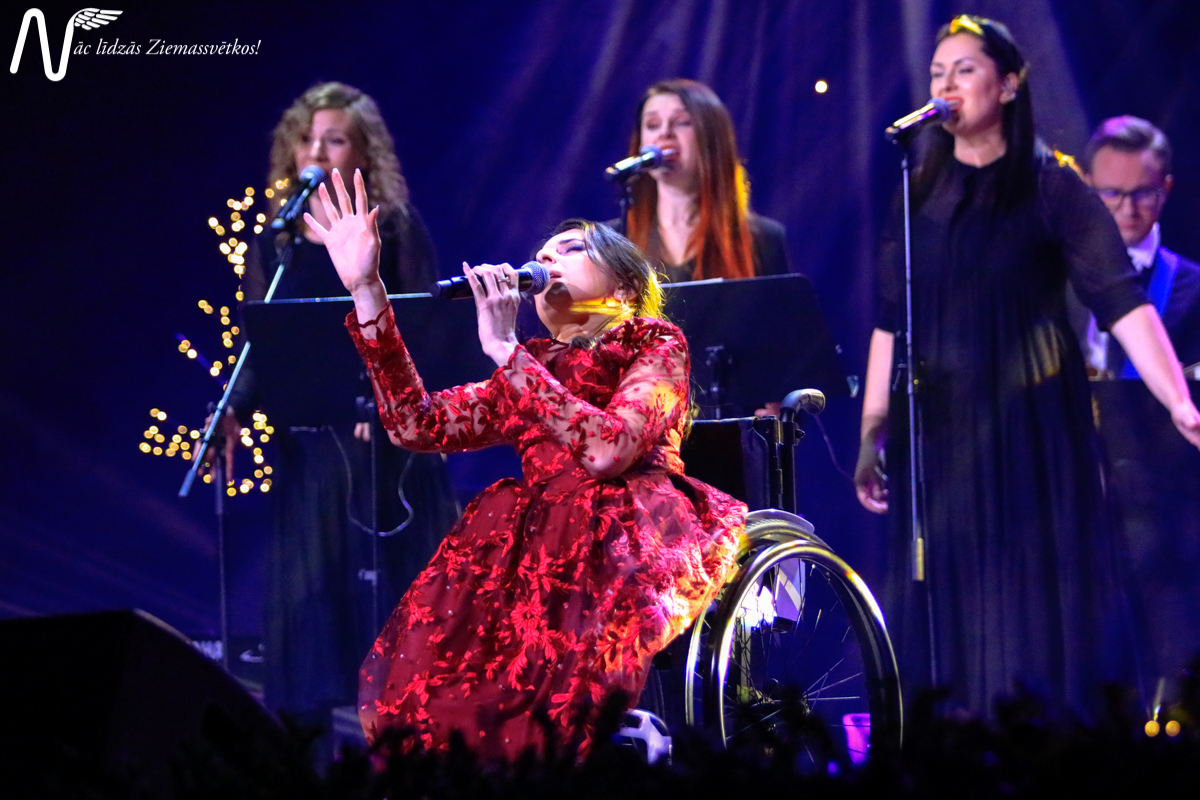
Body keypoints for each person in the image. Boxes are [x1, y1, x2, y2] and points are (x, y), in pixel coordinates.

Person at [304, 168, 745, 760]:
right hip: (534, 547)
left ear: (623, 286)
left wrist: (506, 352)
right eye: (541, 255)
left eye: (571, 249)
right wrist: (366, 290)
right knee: (446, 699)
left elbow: (609, 450)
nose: (546, 260)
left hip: (622, 533)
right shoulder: (531, 363)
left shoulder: (652, 341)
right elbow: (414, 423)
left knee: (555, 700)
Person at [852, 15, 1200, 721]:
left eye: (965, 70)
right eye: (938, 73)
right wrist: (873, 429)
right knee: (950, 596)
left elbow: (1121, 301)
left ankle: (1048, 743)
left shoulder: (1054, 185)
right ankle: (952, 740)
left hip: (1032, 425)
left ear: (1009, 85)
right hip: (941, 423)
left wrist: (1178, 401)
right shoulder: (918, 189)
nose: (947, 85)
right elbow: (891, 319)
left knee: (1033, 596)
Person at [207, 82, 459, 736]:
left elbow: (425, 328)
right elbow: (265, 343)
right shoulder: (278, 243)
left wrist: (384, 398)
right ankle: (311, 753)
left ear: (363, 153)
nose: (316, 152)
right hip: (310, 456)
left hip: (385, 456)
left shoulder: (393, 227)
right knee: (312, 615)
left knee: (392, 615)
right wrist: (233, 409)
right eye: (307, 139)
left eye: (335, 139)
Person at [610, 78, 791, 283]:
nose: (664, 133)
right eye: (652, 125)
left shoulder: (763, 240)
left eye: (682, 122)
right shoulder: (615, 240)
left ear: (712, 139)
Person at [1077, 115, 1200, 376]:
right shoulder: (1053, 273)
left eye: (1142, 193)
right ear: (1087, 187)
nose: (1128, 209)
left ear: (1165, 189)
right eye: (1111, 193)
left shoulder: (1194, 290)